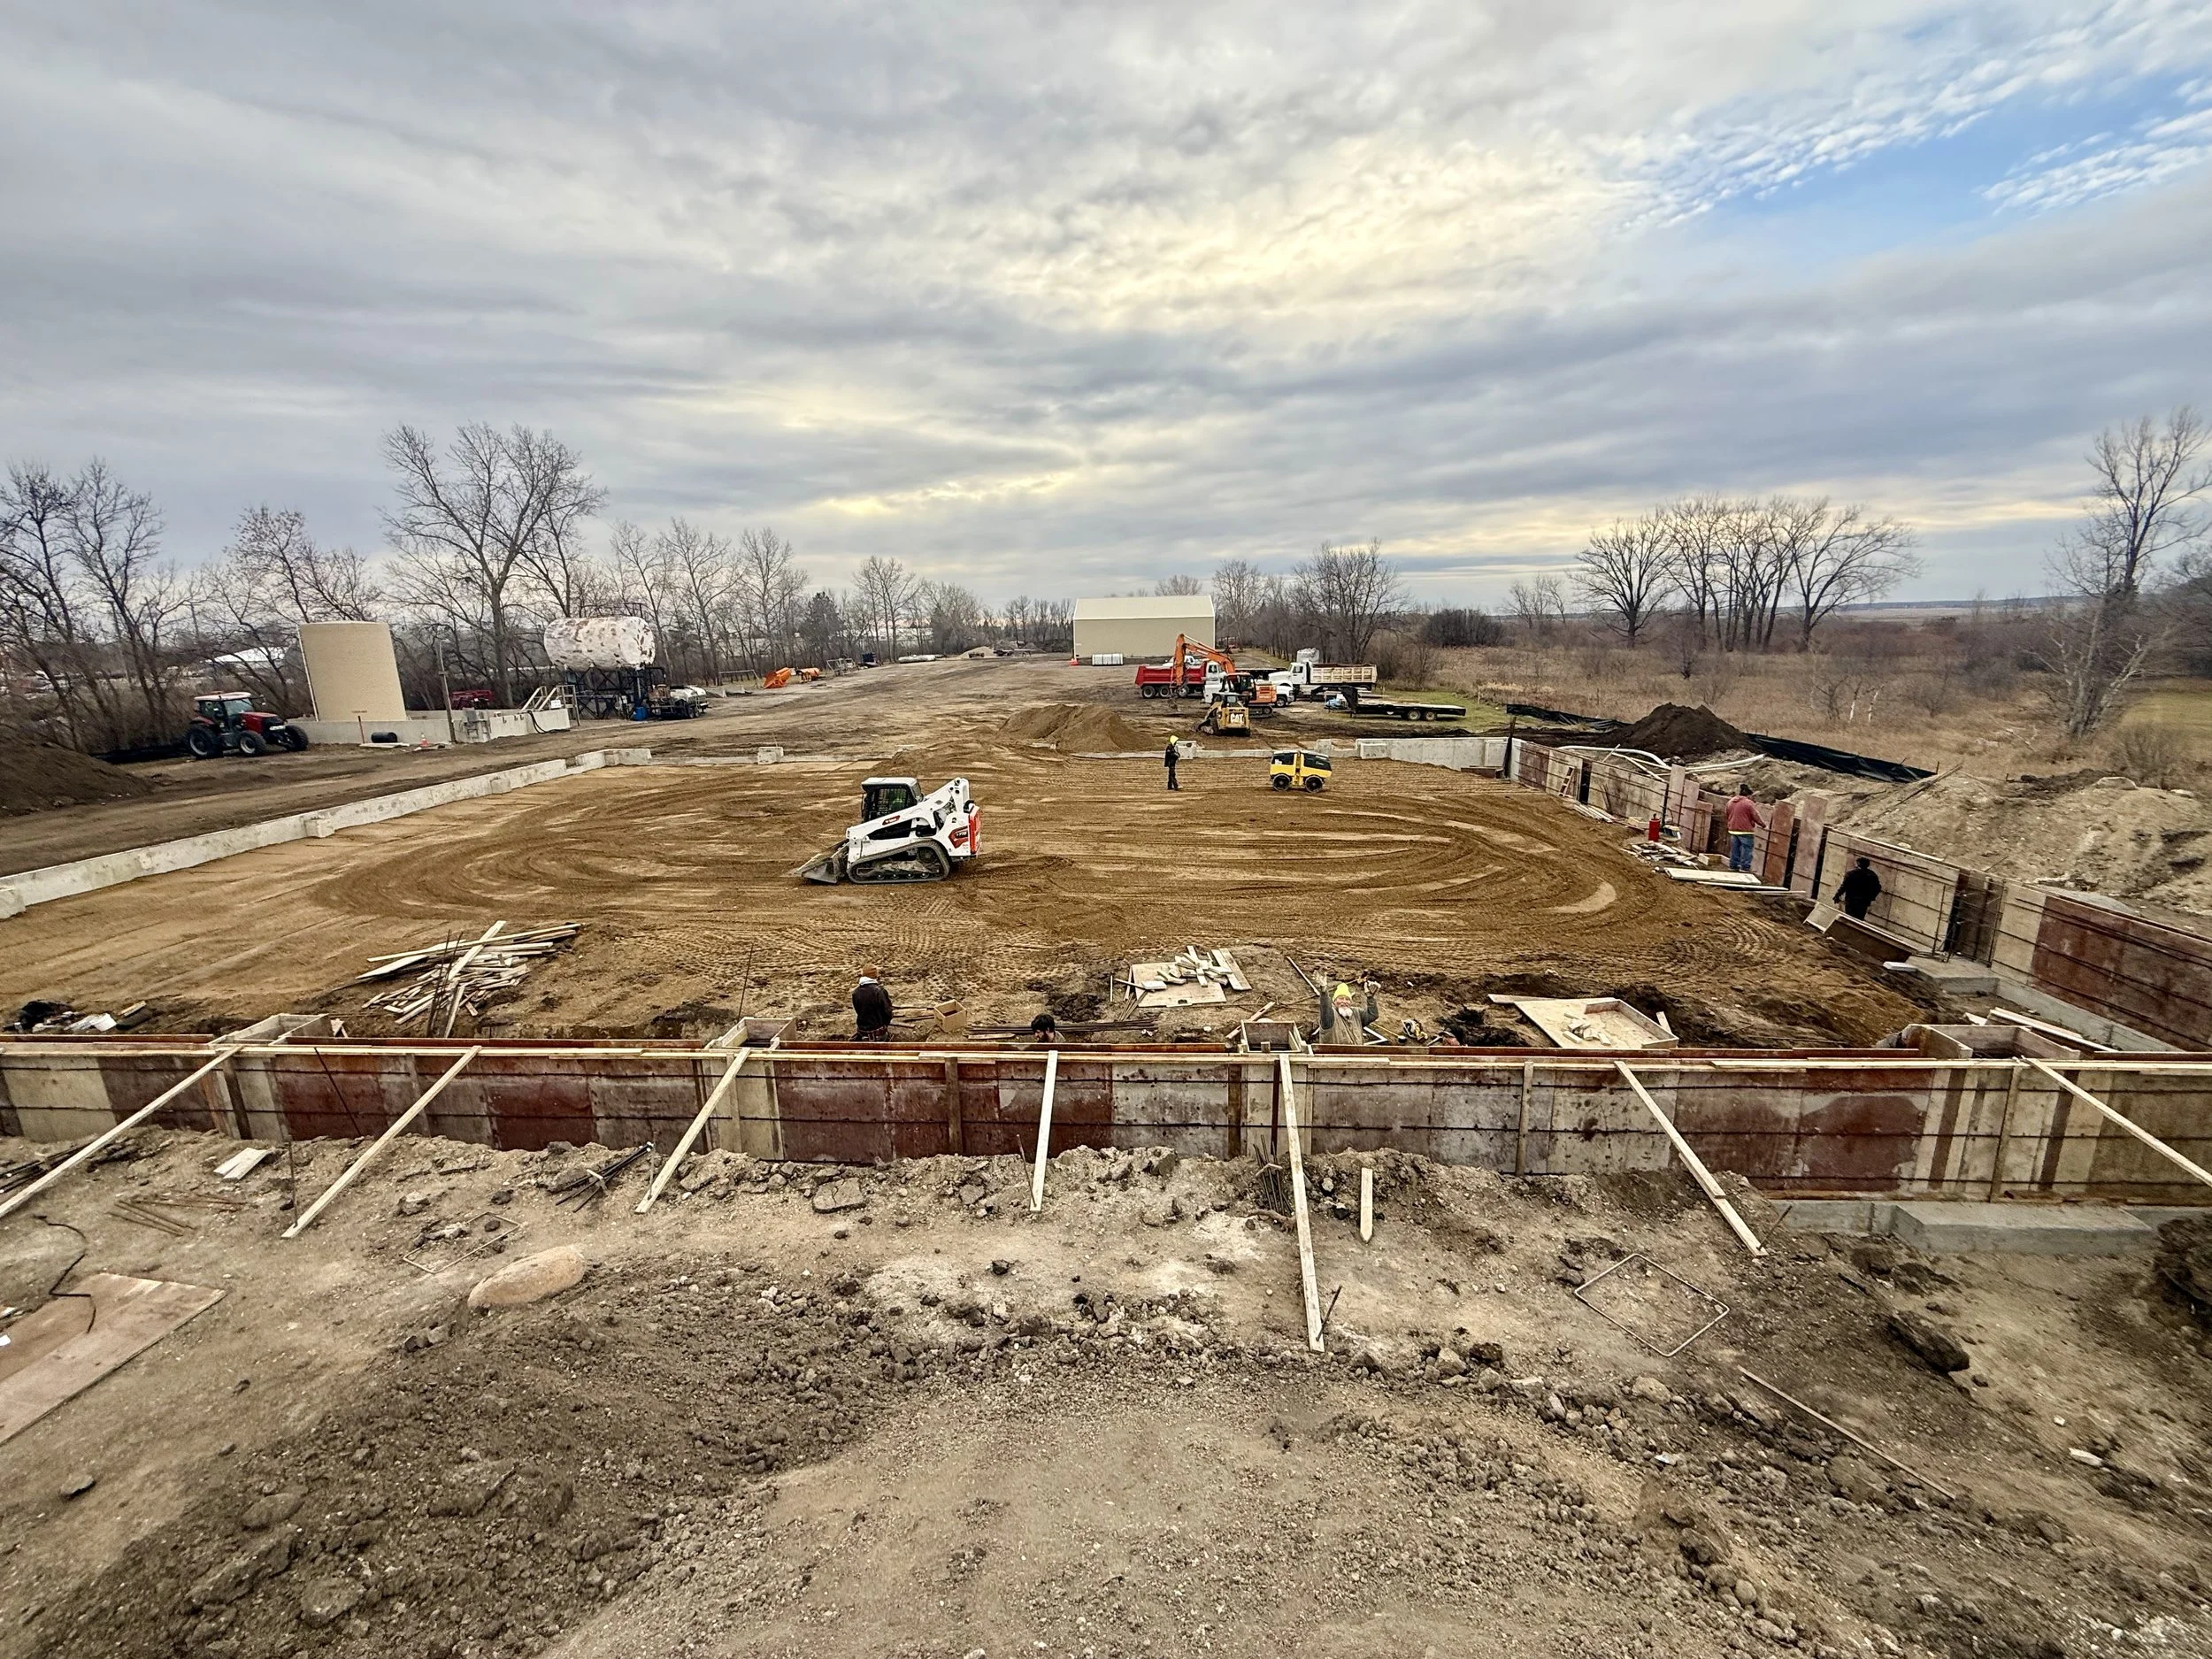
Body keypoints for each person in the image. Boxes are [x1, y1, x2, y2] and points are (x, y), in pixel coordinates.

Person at [1724, 785, 1765, 873]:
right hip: (1745, 830)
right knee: (1747, 849)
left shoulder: (1730, 802)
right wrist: (1763, 825)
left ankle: (1733, 866)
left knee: (1734, 848)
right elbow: (1755, 816)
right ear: (1749, 795)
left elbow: (1727, 813)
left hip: (1733, 829)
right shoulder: (1748, 803)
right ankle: (1745, 868)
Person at [1835, 856, 1883, 921]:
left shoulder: (1851, 873)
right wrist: (1871, 897)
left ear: (1858, 864)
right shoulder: (1872, 875)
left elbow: (1844, 886)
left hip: (1851, 900)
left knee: (1849, 918)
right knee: (1859, 919)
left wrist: (1837, 896)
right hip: (1863, 902)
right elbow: (1878, 888)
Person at [852, 967, 893, 1041]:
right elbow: (888, 1012)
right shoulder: (879, 991)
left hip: (862, 1033)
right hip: (879, 1033)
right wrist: (884, 1025)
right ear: (875, 976)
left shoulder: (856, 992)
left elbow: (858, 1010)